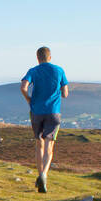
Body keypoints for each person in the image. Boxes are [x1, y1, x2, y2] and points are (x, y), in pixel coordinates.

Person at [20, 46, 69, 193]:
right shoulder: (59, 70)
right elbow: (65, 94)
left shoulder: (33, 70)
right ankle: (44, 175)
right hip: (53, 112)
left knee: (39, 144)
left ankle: (39, 174)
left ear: (37, 58)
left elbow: (23, 87)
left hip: (36, 112)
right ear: (50, 57)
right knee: (49, 147)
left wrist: (29, 99)